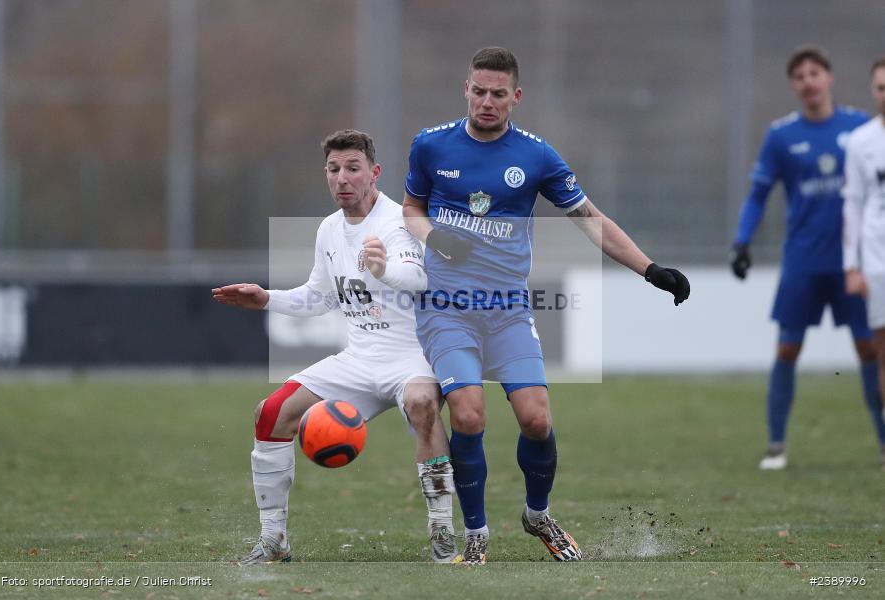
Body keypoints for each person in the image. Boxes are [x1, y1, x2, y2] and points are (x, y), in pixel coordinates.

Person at [402, 47, 690, 564]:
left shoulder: (537, 156)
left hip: (508, 309)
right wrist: (432, 238)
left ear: (516, 97)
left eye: (498, 94)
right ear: (465, 89)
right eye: (478, 91)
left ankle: (537, 515)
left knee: (536, 420)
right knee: (468, 416)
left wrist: (649, 269)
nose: (486, 102)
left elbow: (590, 219)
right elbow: (411, 208)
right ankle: (476, 534)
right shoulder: (430, 146)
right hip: (446, 308)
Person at [213, 129, 459, 564]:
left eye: (352, 168)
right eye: (333, 169)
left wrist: (384, 270)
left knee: (424, 404)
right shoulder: (328, 230)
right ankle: (274, 541)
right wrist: (267, 298)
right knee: (270, 413)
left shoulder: (399, 221)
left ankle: (442, 532)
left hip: (412, 356)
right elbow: (319, 296)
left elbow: (417, 278)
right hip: (359, 360)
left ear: (373, 172)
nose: (342, 178)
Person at [730, 46, 885, 470]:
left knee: (871, 350)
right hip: (802, 260)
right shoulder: (782, 136)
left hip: (854, 261)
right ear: (793, 85)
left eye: (814, 72)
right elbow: (759, 194)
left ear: (829, 77)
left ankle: (883, 444)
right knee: (787, 349)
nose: (808, 81)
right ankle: (776, 445)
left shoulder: (860, 129)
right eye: (799, 75)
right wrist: (742, 242)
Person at [843, 58, 885, 438]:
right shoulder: (861, 141)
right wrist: (851, 266)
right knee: (882, 354)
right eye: (881, 88)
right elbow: (853, 203)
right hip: (877, 257)